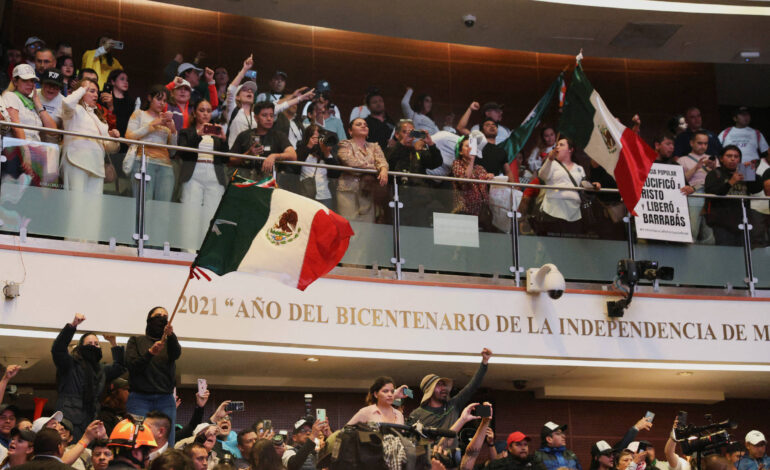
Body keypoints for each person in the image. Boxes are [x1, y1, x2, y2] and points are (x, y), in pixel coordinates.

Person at [51, 313, 124, 440]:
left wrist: (113, 342)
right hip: (68, 420)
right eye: (89, 343)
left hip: (90, 419)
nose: (93, 346)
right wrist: (73, 326)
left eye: (96, 344)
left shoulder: (101, 370)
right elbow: (58, 349)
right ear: (81, 347)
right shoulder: (70, 364)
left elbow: (120, 367)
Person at [125, 307, 181, 446]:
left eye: (165, 316)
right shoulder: (135, 341)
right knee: (136, 439)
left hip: (165, 398)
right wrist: (150, 353)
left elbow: (176, 354)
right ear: (149, 319)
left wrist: (171, 335)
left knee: (167, 442)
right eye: (158, 315)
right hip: (139, 398)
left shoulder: (169, 342)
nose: (162, 317)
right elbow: (132, 366)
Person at [177, 99, 229, 244]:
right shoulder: (187, 132)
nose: (205, 114)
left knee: (211, 217)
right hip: (193, 174)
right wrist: (198, 134)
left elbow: (226, 159)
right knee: (190, 214)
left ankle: (204, 253)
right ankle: (188, 251)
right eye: (202, 110)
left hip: (214, 175)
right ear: (194, 112)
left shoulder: (216, 133)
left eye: (208, 110)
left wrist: (224, 140)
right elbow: (183, 153)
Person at [60, 78, 121, 194]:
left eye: (96, 92)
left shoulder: (99, 118)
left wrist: (114, 138)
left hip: (97, 166)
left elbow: (110, 148)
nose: (96, 95)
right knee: (76, 207)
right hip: (76, 161)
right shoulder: (73, 110)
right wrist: (83, 88)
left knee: (94, 209)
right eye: (91, 91)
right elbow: (67, 102)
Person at [1, 64, 58, 184]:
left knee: (32, 197)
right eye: (25, 80)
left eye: (32, 81)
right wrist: (25, 152)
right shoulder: (10, 96)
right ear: (15, 81)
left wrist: (37, 103)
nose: (30, 84)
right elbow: (17, 127)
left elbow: (53, 131)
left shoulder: (32, 102)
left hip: (34, 154)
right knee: (14, 197)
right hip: (18, 153)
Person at [408, 348, 491, 430]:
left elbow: (472, 386)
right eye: (438, 385)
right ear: (429, 390)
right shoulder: (417, 414)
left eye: (444, 385)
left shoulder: (453, 405)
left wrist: (484, 362)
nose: (444, 388)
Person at [705, 145, 768, 246]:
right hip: (722, 222)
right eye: (729, 156)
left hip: (743, 220)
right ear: (721, 158)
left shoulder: (743, 172)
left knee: (743, 251)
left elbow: (756, 189)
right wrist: (731, 182)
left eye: (736, 156)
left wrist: (752, 173)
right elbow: (711, 193)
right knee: (725, 252)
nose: (733, 159)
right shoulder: (715, 173)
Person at [125, 85, 178, 201]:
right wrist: (152, 125)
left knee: (163, 208)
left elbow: (173, 151)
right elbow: (128, 138)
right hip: (143, 162)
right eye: (159, 99)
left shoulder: (167, 120)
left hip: (166, 165)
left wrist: (173, 131)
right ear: (149, 98)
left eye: (164, 101)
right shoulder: (139, 114)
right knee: (143, 204)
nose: (162, 103)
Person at [536, 137, 598, 236]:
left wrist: (594, 186)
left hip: (574, 212)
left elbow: (584, 185)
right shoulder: (552, 163)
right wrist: (549, 160)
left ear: (570, 149)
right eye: (557, 145)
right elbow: (542, 176)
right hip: (553, 211)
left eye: (561, 145)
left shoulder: (579, 168)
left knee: (571, 240)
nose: (557, 147)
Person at [336, 118, 389, 223]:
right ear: (350, 131)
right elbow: (350, 162)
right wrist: (373, 168)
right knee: (349, 224)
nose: (363, 126)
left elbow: (382, 161)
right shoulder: (345, 144)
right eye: (359, 124)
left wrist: (383, 170)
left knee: (368, 226)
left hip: (367, 191)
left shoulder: (374, 146)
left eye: (365, 124)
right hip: (348, 191)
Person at [230, 101, 296, 182]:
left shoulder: (279, 136)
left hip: (270, 183)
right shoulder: (244, 135)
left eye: (271, 115)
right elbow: (231, 161)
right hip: (245, 182)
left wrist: (274, 156)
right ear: (256, 118)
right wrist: (248, 154)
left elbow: (293, 155)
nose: (269, 119)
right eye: (264, 115)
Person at [678, 130, 717, 243]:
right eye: (699, 143)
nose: (703, 146)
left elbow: (720, 180)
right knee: (692, 229)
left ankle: (708, 258)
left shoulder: (713, 159)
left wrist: (714, 169)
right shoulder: (683, 160)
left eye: (705, 143)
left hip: (710, 195)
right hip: (694, 196)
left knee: (709, 234)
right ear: (691, 143)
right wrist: (696, 167)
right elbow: (681, 181)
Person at [296, 124, 339, 208]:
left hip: (325, 196)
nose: (317, 140)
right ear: (308, 137)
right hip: (306, 196)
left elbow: (335, 174)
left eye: (319, 137)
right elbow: (295, 167)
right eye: (314, 137)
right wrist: (309, 146)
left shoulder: (327, 151)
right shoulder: (302, 150)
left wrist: (326, 152)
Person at [451, 135, 495, 217]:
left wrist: (491, 177)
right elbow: (464, 180)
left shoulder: (480, 168)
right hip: (464, 211)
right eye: (467, 146)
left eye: (472, 146)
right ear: (460, 151)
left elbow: (488, 185)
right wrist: (472, 159)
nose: (470, 149)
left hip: (482, 212)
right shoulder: (457, 164)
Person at [37, 68, 65, 142]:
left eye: (56, 86)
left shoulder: (65, 102)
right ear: (42, 83)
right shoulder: (32, 95)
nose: (51, 89)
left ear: (60, 87)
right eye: (48, 84)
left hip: (51, 145)